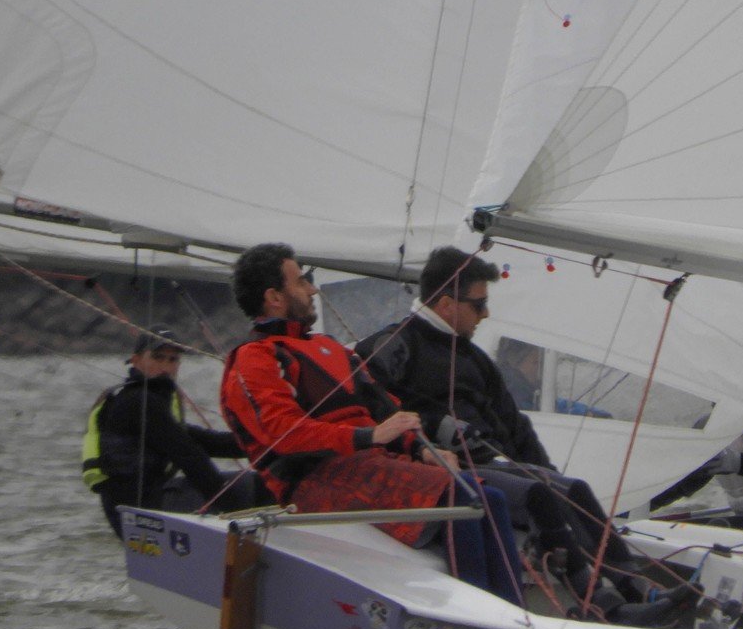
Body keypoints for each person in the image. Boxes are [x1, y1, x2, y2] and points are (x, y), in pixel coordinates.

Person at [356, 246, 686, 625]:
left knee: (571, 489)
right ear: (447, 304)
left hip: (491, 463)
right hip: (440, 468)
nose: (486, 314)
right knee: (538, 495)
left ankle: (637, 590)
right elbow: (371, 405)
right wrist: (433, 428)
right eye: (478, 305)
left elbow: (515, 427)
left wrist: (547, 471)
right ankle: (604, 606)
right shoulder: (394, 345)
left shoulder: (475, 360)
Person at [219, 242, 523, 606]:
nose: (313, 289)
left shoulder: (331, 349)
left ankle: (512, 610)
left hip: (366, 466)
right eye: (301, 282)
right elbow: (281, 435)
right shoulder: (256, 358)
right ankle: (481, 616)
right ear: (274, 297)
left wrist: (422, 448)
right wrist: (368, 436)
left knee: (489, 498)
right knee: (462, 497)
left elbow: (384, 407)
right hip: (314, 481)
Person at [82, 326, 268, 538]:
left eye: (172, 360)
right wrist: (234, 510)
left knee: (248, 485)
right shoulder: (138, 402)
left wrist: (267, 444)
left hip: (138, 507)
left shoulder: (149, 401)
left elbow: (207, 442)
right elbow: (189, 456)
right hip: (141, 511)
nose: (166, 367)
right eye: (158, 358)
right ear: (136, 360)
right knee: (259, 486)